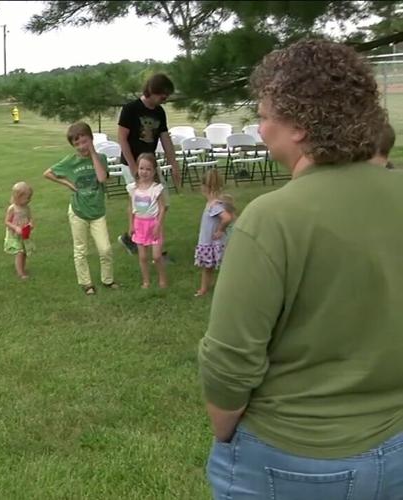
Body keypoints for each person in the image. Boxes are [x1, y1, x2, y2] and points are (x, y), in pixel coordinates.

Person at [199, 40, 403, 499]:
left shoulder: (271, 218)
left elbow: (230, 362)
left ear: (300, 125)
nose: (260, 126)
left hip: (289, 457)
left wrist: (225, 428)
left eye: (265, 113)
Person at [44, 122, 118, 295]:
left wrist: (92, 153)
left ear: (91, 139)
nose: (81, 147)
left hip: (97, 211)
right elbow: (47, 173)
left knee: (105, 249)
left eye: (84, 142)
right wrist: (67, 183)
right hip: (78, 212)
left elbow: (101, 178)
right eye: (76, 144)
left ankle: (107, 280)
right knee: (80, 249)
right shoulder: (70, 161)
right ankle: (86, 283)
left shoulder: (101, 158)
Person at [116, 73, 183, 259]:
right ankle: (154, 249)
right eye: (164, 94)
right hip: (132, 164)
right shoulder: (131, 109)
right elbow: (122, 138)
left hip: (150, 165)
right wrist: (133, 167)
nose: (165, 98)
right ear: (153, 91)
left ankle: (135, 239)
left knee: (163, 203)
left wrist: (174, 165)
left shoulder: (159, 112)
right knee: (143, 206)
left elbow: (165, 140)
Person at [125, 153, 167, 289]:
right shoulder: (133, 188)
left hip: (153, 225)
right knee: (143, 257)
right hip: (139, 224)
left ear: (154, 171)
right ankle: (146, 281)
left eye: (148, 169)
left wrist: (158, 225)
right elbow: (130, 207)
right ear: (137, 169)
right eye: (142, 168)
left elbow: (162, 208)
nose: (144, 172)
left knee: (156, 256)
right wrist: (131, 224)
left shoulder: (156, 189)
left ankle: (162, 278)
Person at [193, 169, 235, 297]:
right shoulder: (216, 203)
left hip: (210, 243)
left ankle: (204, 289)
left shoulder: (214, 205)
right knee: (210, 268)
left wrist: (220, 230)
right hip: (210, 243)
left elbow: (227, 218)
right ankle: (209, 288)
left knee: (207, 269)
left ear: (204, 187)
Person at [3, 181, 34, 279]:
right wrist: (15, 227)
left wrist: (30, 224)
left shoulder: (26, 207)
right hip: (14, 235)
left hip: (24, 233)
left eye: (30, 197)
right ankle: (20, 273)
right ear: (18, 197)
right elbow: (6, 222)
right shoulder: (12, 208)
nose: (29, 200)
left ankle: (22, 268)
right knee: (19, 252)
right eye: (27, 198)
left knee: (24, 252)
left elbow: (30, 218)